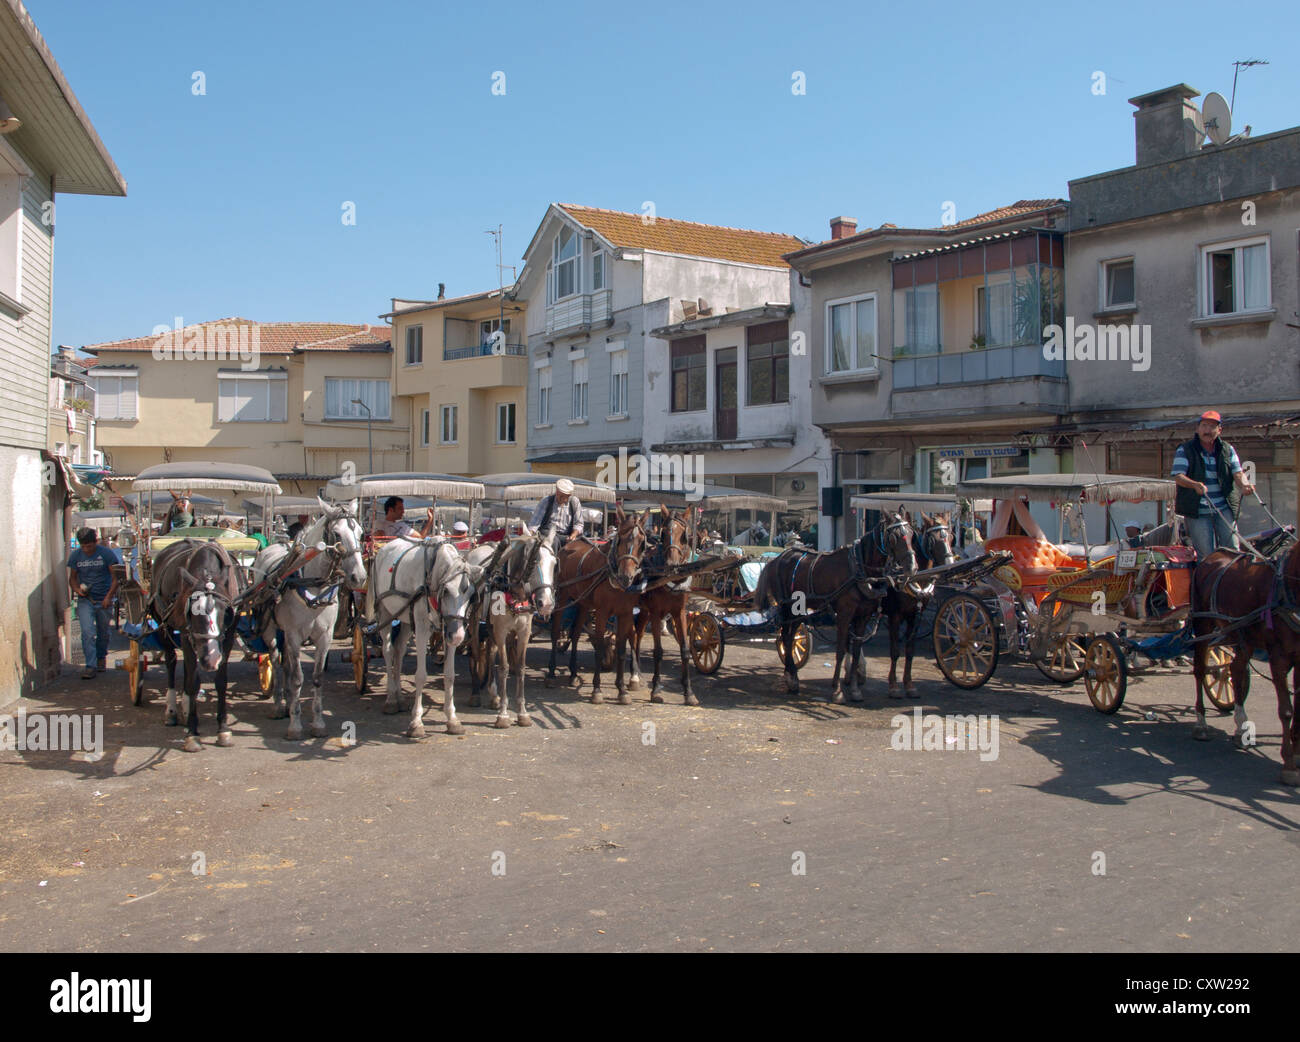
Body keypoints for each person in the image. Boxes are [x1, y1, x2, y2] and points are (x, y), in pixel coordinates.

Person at [1171, 410, 1255, 559]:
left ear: (1219, 430)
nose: (1207, 430)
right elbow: (1178, 476)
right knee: (1206, 554)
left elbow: (1238, 472)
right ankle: (1206, 581)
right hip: (1197, 509)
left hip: (1223, 507)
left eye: (1212, 427)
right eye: (1204, 426)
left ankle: (1231, 581)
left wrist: (1245, 485)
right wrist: (1195, 485)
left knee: (1233, 550)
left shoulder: (1227, 449)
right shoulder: (1185, 449)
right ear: (1197, 429)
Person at [67, 528, 118, 679]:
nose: (86, 549)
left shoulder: (107, 554)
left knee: (103, 632)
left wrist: (109, 597)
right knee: (88, 633)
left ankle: (101, 656)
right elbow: (72, 578)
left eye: (89, 546)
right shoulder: (76, 556)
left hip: (104, 598)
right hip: (86, 600)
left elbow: (115, 577)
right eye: (83, 546)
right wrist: (77, 589)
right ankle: (90, 665)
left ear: (95, 542)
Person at [529, 479, 583, 552]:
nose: (563, 499)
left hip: (566, 536)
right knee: (554, 541)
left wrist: (573, 535)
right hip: (546, 534)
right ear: (557, 491)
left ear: (569, 495)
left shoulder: (574, 502)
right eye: (560, 496)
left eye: (565, 497)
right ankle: (555, 563)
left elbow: (579, 524)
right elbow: (534, 523)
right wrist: (530, 535)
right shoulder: (546, 501)